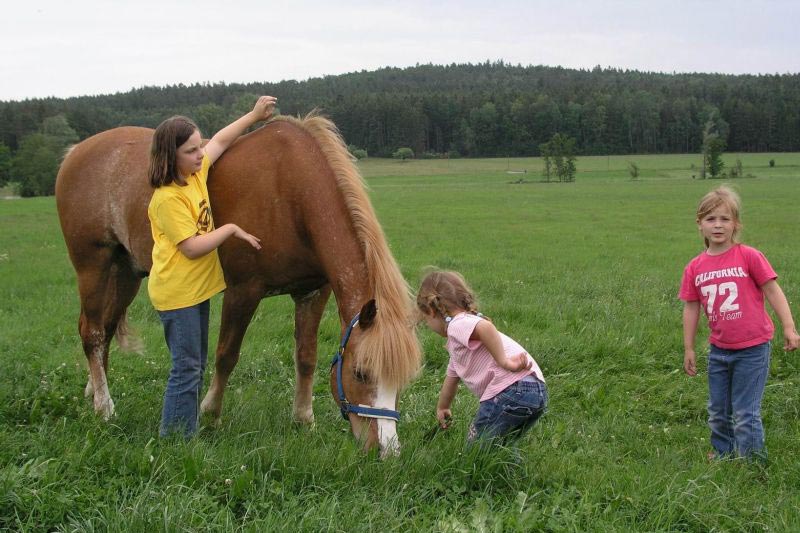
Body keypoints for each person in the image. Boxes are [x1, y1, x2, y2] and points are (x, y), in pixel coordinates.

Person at [147, 95, 277, 438]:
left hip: (195, 290)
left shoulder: (194, 176)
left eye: (197, 147)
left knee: (194, 365)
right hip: (178, 294)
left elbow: (219, 139)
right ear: (170, 156)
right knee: (186, 368)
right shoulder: (168, 198)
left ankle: (181, 431)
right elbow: (191, 248)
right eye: (191, 150)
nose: (200, 154)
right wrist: (231, 229)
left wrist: (253, 115)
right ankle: (175, 440)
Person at [680, 186, 799, 460]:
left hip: (753, 349)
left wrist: (789, 327)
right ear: (700, 225)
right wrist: (689, 348)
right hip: (719, 350)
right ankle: (724, 454)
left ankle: (753, 464)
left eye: (725, 219)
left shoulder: (749, 256)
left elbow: (772, 291)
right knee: (718, 411)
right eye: (711, 219)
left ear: (736, 224)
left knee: (746, 412)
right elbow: (691, 307)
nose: (718, 225)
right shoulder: (694, 268)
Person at [416, 270, 547, 447]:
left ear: (431, 311)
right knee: (500, 447)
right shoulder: (460, 344)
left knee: (476, 448)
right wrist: (443, 407)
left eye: (425, 320)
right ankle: (510, 474)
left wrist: (504, 362)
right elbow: (451, 380)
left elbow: (485, 327)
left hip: (510, 390)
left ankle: (474, 474)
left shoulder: (457, 325)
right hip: (535, 390)